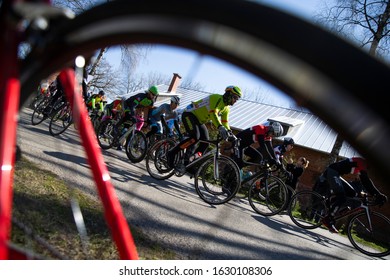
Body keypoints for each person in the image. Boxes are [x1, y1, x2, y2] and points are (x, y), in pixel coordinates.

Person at [167, 85, 242, 168]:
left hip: (199, 121)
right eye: (235, 97)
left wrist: (230, 133)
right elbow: (213, 113)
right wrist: (220, 127)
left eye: (237, 99)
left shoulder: (226, 108)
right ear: (229, 94)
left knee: (205, 143)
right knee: (195, 137)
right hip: (189, 114)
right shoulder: (217, 98)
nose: (235, 101)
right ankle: (172, 153)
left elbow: (225, 122)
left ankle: (188, 162)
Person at [314, 157, 388, 233]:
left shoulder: (363, 165)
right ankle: (327, 219)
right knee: (341, 197)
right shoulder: (362, 162)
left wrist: (376, 194)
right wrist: (378, 194)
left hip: (337, 174)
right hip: (332, 172)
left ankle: (333, 202)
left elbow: (364, 180)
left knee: (353, 193)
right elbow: (366, 180)